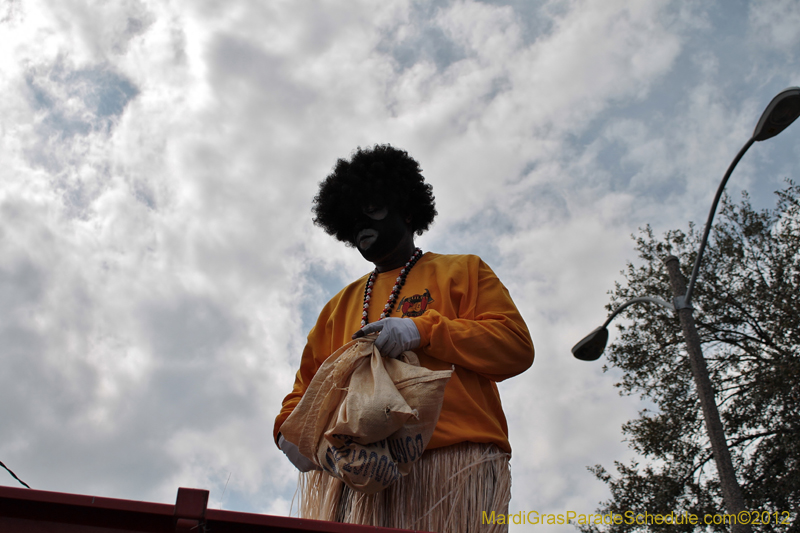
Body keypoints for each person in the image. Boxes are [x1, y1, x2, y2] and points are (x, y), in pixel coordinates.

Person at [274, 144, 534, 532]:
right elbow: (304, 393)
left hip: (453, 467)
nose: (362, 225)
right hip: (357, 484)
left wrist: (422, 331)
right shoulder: (337, 307)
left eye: (373, 209)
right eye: (351, 220)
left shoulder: (462, 272)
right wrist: (287, 434)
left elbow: (514, 346)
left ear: (408, 211)